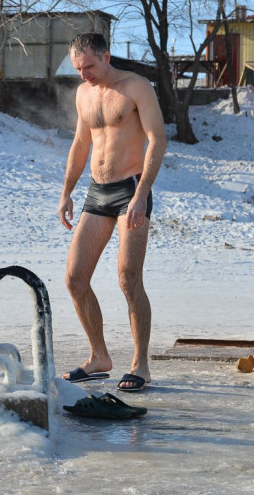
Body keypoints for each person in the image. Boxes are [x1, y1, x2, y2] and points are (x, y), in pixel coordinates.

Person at [57, 32, 167, 392]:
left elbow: (157, 139)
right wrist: (67, 192)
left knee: (128, 277)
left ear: (106, 56)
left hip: (130, 190)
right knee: (75, 278)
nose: (83, 74)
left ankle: (140, 365)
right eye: (78, 68)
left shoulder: (136, 87)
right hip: (97, 192)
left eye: (89, 66)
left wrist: (142, 194)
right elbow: (80, 143)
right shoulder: (83, 93)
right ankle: (99, 357)